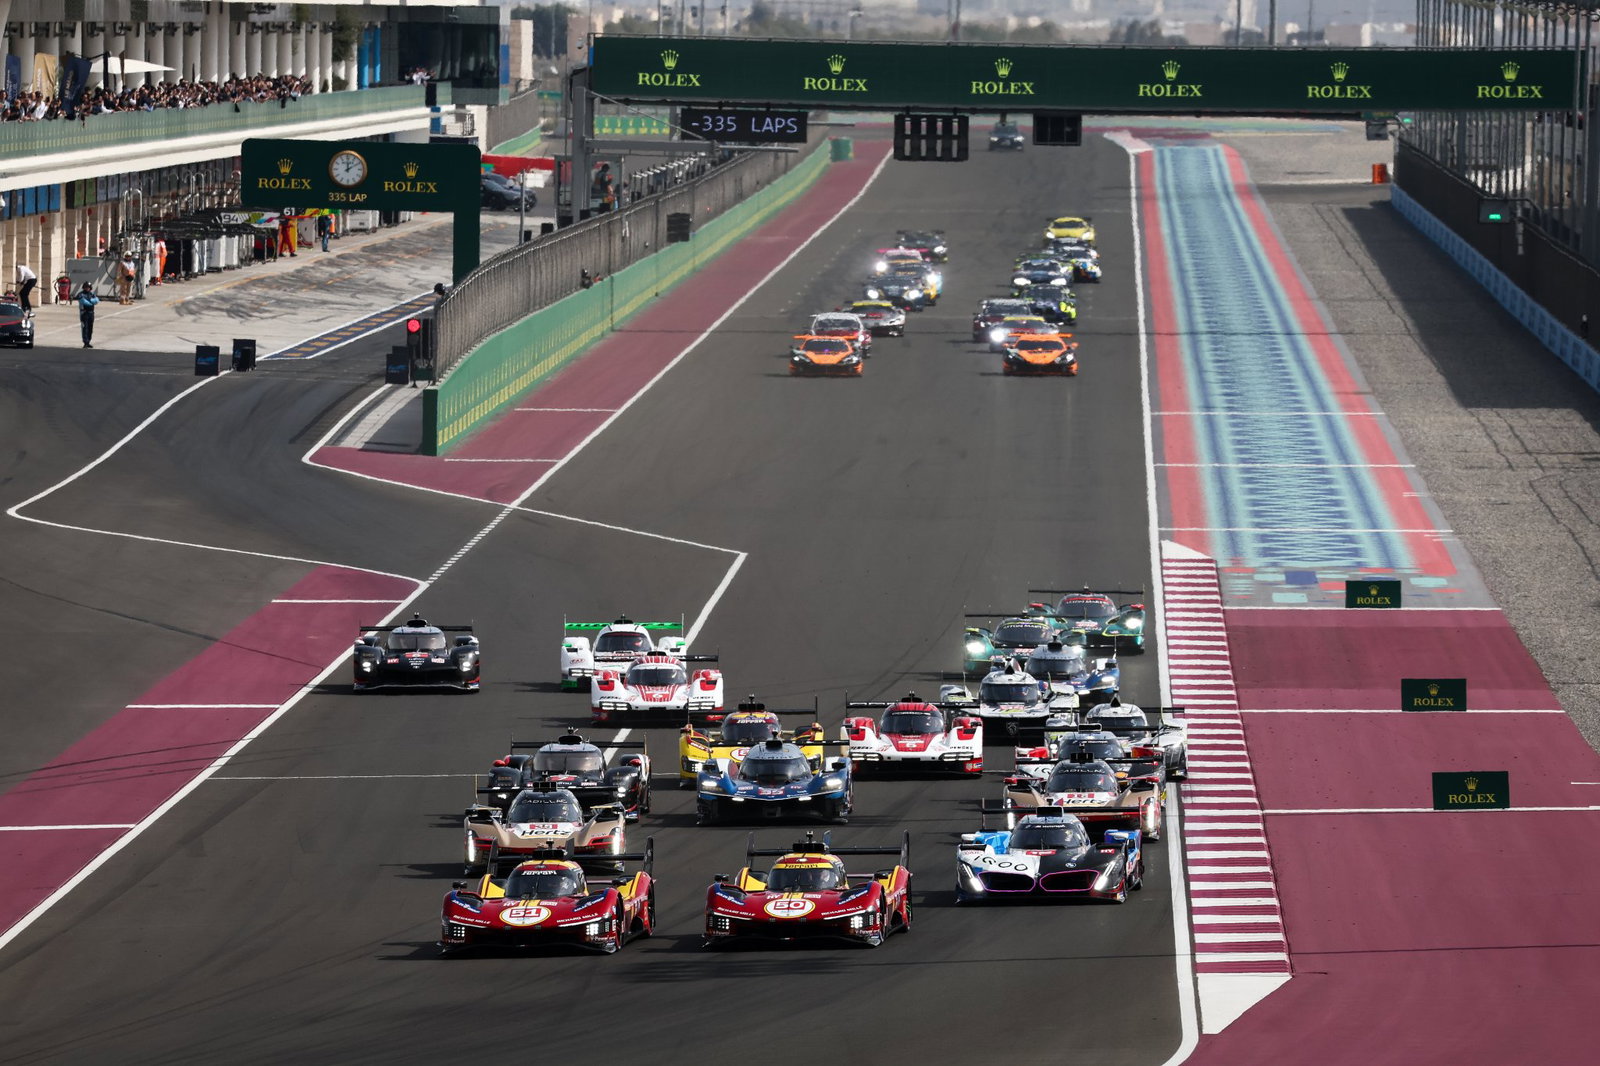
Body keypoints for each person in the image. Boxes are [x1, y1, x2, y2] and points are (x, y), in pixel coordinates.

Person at [76, 283, 98, 348]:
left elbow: (96, 300)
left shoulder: (92, 294)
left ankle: (88, 341)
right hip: (84, 313)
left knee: (90, 328)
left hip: (91, 313)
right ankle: (85, 342)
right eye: (86, 287)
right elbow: (83, 301)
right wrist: (91, 302)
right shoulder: (81, 294)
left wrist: (91, 301)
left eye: (88, 287)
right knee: (85, 328)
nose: (87, 288)